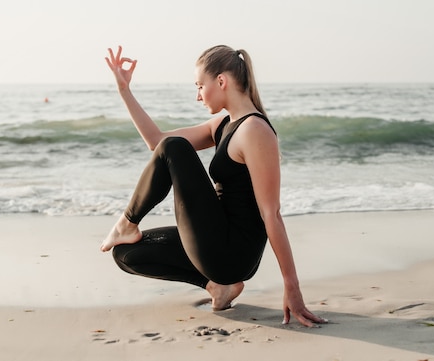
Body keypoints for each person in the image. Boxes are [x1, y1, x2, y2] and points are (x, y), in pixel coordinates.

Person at [100, 45, 327, 327]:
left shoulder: (255, 130)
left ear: (221, 81)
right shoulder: (223, 125)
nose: (197, 96)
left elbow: (272, 214)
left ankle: (126, 221)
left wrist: (292, 287)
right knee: (126, 253)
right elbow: (155, 142)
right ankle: (217, 286)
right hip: (216, 241)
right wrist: (125, 91)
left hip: (233, 252)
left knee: (175, 148)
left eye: (199, 86)